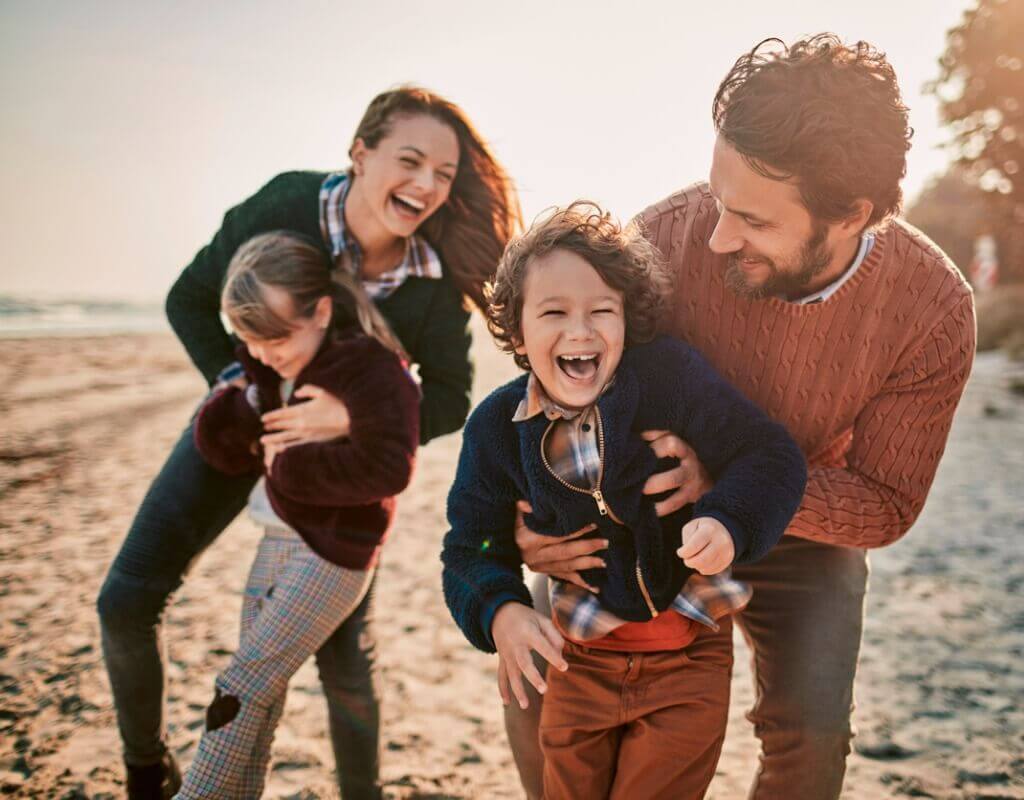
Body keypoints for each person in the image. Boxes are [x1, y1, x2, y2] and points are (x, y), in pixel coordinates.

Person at [503, 35, 977, 799]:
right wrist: (528, 522)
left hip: (805, 524)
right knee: (535, 670)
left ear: (851, 214)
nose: (718, 234)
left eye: (752, 220)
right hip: (642, 514)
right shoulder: (661, 239)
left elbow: (886, 501)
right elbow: (562, 389)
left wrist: (728, 489)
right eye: (720, 199)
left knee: (813, 735)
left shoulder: (934, 310)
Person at [96, 86, 520, 800]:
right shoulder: (285, 204)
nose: (425, 184)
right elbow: (189, 298)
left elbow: (449, 394)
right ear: (360, 153)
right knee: (127, 598)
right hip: (243, 427)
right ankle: (146, 770)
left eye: (443, 175)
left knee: (348, 656)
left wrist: (351, 418)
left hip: (345, 469)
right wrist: (244, 386)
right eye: (409, 160)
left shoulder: (431, 284)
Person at [441, 202, 807, 799]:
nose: (580, 331)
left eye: (601, 312)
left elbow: (768, 454)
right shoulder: (496, 428)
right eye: (554, 312)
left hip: (688, 657)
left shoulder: (668, 378)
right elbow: (468, 546)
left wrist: (730, 519)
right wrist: (499, 610)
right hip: (578, 660)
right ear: (518, 327)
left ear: (628, 319)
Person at [178, 231, 419, 798]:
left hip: (334, 553)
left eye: (274, 339)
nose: (261, 352)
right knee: (260, 700)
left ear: (321, 313)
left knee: (242, 681)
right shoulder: (263, 365)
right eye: (248, 340)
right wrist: (234, 405)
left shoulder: (369, 369)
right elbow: (226, 445)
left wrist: (289, 469)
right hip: (277, 539)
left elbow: (390, 467)